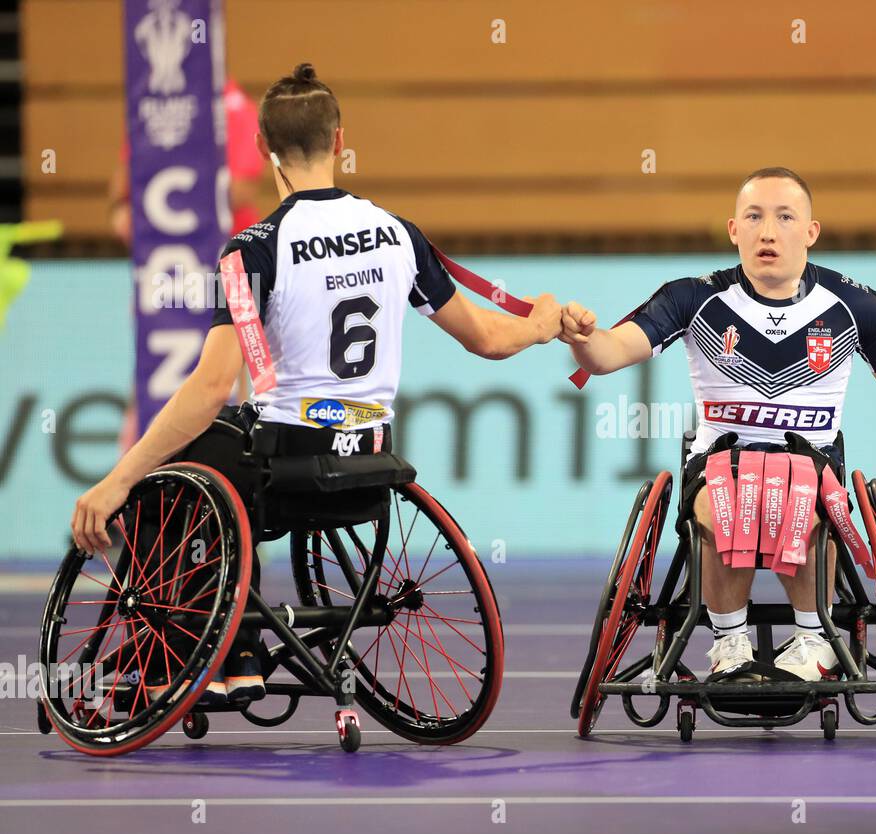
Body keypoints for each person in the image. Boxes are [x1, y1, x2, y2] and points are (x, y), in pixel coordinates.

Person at [71, 63, 563, 703]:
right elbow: (490, 339)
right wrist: (544, 321)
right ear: (338, 140)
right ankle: (225, 644)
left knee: (175, 458)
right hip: (373, 461)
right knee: (218, 445)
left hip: (285, 462)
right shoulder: (398, 234)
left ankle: (215, 654)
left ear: (262, 150)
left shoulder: (252, 248)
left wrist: (119, 478)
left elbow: (212, 386)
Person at [563, 167, 876, 680]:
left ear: (811, 231)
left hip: (812, 466)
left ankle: (812, 641)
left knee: (801, 492)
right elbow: (610, 352)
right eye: (754, 217)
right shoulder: (693, 297)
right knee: (726, 497)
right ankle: (730, 642)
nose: (768, 232)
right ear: (734, 229)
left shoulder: (855, 304)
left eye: (785, 217)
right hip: (718, 464)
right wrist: (582, 337)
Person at [111, 77, 268, 451]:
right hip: (167, 268)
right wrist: (124, 211)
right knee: (153, 374)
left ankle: (238, 463)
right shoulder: (156, 108)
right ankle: (141, 477)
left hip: (232, 266)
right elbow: (120, 192)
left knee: (236, 379)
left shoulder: (234, 107)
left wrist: (169, 194)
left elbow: (245, 185)